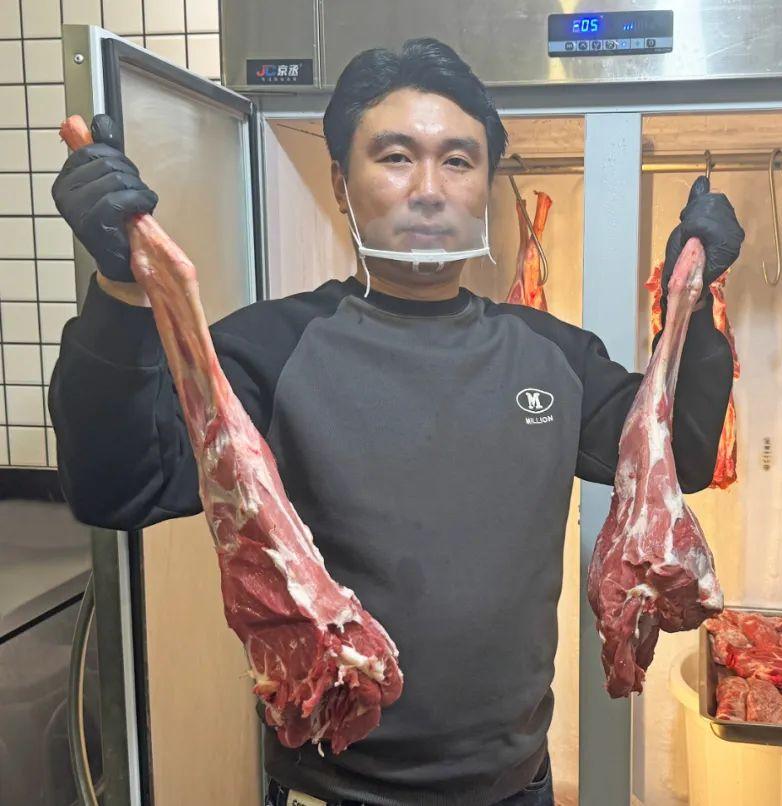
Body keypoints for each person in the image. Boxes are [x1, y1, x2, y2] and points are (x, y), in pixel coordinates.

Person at [50, 38, 742, 806]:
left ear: (486, 185)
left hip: (515, 789)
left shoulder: (553, 356)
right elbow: (120, 486)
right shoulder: (270, 350)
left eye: (458, 160)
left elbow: (680, 455)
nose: (429, 190)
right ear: (340, 183)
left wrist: (695, 302)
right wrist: (121, 292)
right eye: (396, 157)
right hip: (333, 791)